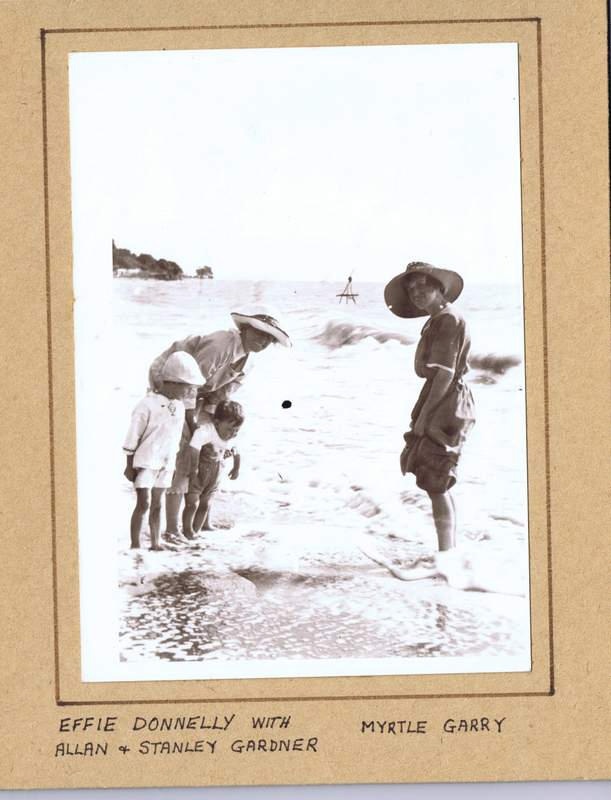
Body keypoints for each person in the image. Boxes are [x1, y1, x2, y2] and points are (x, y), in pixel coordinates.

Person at [148, 309, 290, 534]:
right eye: (259, 334)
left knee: (211, 447)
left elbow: (221, 395)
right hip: (170, 380)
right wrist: (192, 424)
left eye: (268, 339)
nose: (263, 341)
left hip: (199, 391)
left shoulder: (248, 362)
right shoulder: (222, 345)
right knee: (184, 449)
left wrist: (214, 433)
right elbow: (189, 383)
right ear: (245, 329)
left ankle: (200, 522)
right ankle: (173, 529)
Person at [384, 261, 475, 557]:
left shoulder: (447, 320)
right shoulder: (438, 319)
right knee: (438, 480)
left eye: (423, 285)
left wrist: (423, 418)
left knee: (437, 479)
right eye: (411, 290)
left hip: (447, 400)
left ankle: (446, 555)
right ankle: (449, 551)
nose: (417, 293)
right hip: (443, 397)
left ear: (439, 288)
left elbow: (446, 374)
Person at [122, 351, 202, 550]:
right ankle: (135, 545)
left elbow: (174, 438)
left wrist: (173, 463)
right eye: (188, 387)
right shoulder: (146, 405)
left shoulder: (179, 407)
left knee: (157, 504)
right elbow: (133, 436)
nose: (190, 393)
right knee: (144, 503)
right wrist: (129, 465)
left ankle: (156, 543)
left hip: (166, 464)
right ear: (173, 383)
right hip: (146, 461)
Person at [182, 400, 245, 539]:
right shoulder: (206, 431)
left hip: (215, 475)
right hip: (198, 472)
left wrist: (236, 468)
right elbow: (194, 449)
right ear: (217, 423)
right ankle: (187, 530)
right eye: (230, 429)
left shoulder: (231, 437)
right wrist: (194, 471)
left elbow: (236, 452)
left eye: (236, 430)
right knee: (192, 503)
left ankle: (196, 531)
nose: (232, 434)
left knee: (205, 504)